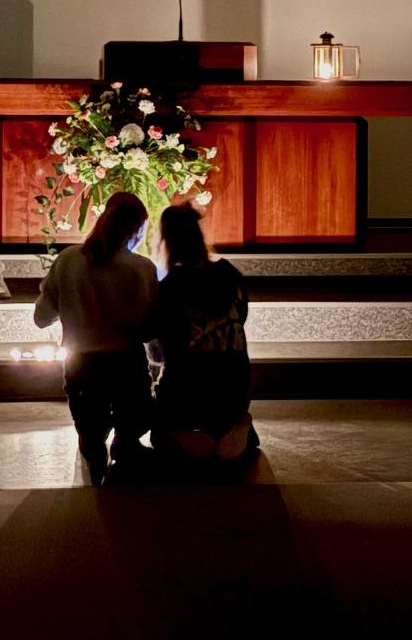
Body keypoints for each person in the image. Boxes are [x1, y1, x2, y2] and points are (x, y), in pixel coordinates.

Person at [34, 191, 157, 485]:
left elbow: (41, 317)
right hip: (126, 367)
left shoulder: (68, 260)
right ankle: (125, 444)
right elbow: (148, 328)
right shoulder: (141, 268)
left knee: (90, 427)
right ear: (138, 229)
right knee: (135, 418)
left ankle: (94, 449)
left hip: (81, 366)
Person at [150, 202, 258, 475]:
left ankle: (193, 440)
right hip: (234, 388)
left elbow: (160, 352)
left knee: (159, 435)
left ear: (166, 242)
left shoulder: (169, 287)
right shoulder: (230, 274)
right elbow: (242, 318)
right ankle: (235, 428)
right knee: (224, 413)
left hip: (188, 392)